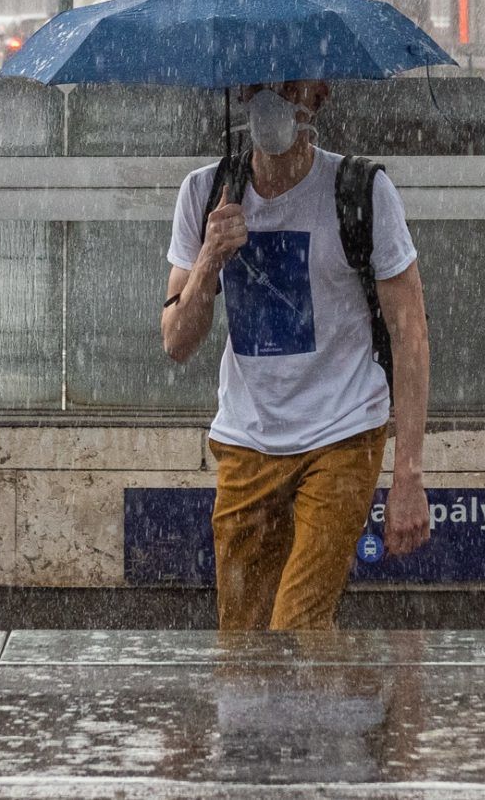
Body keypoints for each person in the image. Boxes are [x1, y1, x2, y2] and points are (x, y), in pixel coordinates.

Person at [163, 79, 433, 632]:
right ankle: (349, 708)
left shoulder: (361, 190)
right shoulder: (207, 192)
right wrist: (211, 256)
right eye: (259, 86)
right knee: (243, 639)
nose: (273, 102)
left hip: (342, 433)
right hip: (247, 442)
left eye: (289, 87)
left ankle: (329, 708)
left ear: (320, 96)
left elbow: (411, 334)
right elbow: (176, 340)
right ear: (239, 96)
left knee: (297, 626)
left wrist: (406, 475)